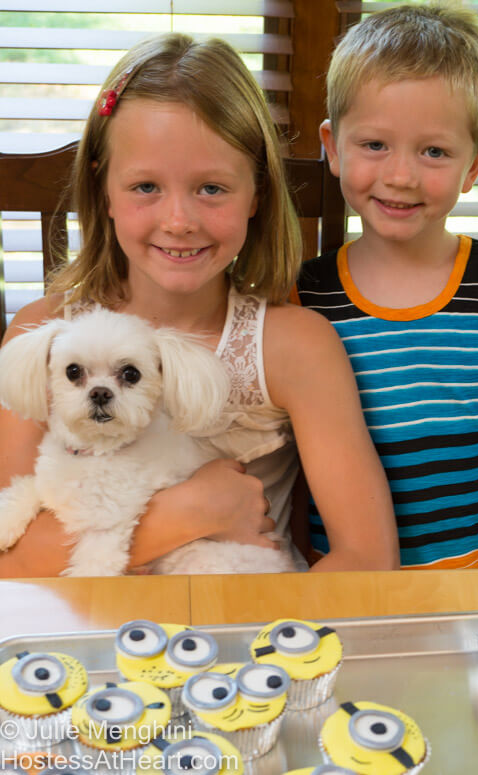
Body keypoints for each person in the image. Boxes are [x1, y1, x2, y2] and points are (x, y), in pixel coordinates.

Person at [0, 33, 399, 576]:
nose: (180, 220)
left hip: (245, 631)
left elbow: (367, 557)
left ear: (256, 193)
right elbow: (10, 565)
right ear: (104, 191)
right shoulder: (43, 334)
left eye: (211, 188)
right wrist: (189, 513)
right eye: (145, 186)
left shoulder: (294, 346)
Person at [293, 2, 478, 569]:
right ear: (333, 146)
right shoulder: (303, 298)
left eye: (434, 152)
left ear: (474, 166)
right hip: (345, 591)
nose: (400, 175)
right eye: (374, 145)